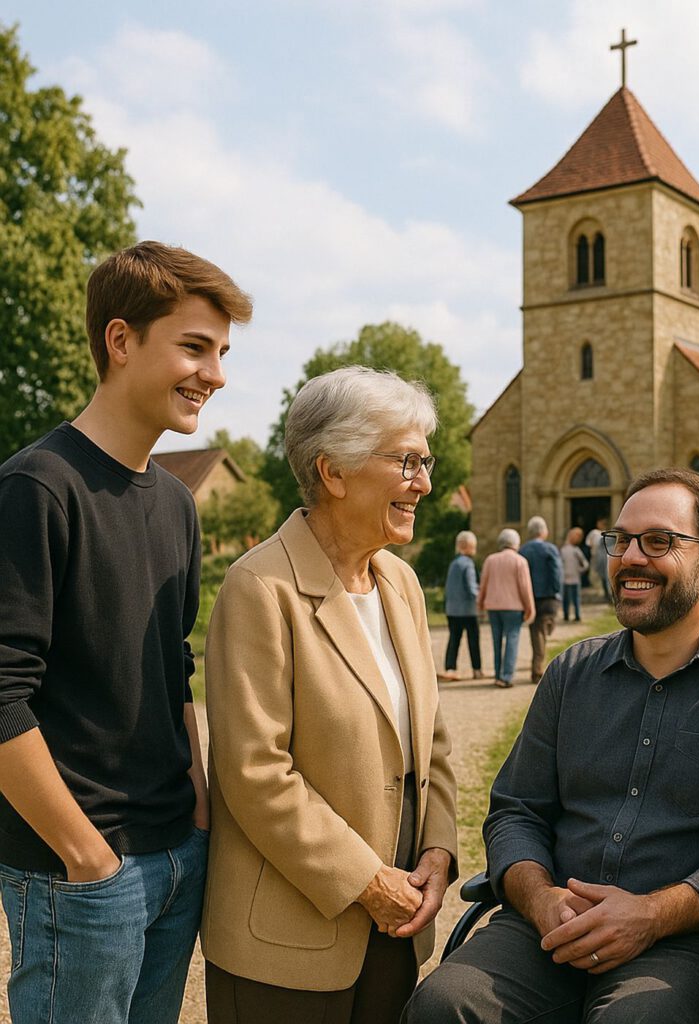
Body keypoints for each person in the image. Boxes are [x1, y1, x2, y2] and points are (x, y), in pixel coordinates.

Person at [405, 468, 699, 1023]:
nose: (631, 556)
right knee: (441, 1006)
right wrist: (541, 900)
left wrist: (653, 914)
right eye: (621, 540)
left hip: (681, 941)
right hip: (546, 928)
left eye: (658, 541)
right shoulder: (572, 674)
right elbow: (517, 809)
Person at [0, 242, 251, 1024]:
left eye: (222, 353)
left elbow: (176, 670)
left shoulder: (177, 503)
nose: (215, 373)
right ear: (120, 340)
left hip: (177, 853)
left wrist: (200, 809)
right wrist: (86, 856)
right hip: (79, 875)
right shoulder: (37, 487)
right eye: (194, 346)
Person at [201, 367, 458, 1024]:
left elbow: (430, 738)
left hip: (395, 929)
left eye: (424, 462)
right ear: (334, 473)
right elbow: (256, 773)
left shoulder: (400, 583)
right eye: (406, 461)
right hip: (287, 946)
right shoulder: (259, 588)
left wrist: (437, 852)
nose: (424, 483)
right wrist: (371, 885)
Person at [477, 529, 536, 688]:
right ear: (516, 543)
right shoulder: (520, 561)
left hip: (493, 606)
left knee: (496, 641)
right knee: (512, 640)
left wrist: (480, 603)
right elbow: (525, 588)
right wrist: (530, 608)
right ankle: (506, 676)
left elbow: (483, 583)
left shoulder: (490, 559)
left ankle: (497, 675)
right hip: (513, 607)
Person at [519, 515, 563, 683]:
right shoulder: (550, 549)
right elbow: (556, 572)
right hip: (549, 596)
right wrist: (556, 590)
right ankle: (537, 670)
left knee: (537, 631)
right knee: (543, 629)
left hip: (530, 597)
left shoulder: (523, 550)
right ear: (543, 532)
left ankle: (538, 665)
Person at [439, 530, 484, 681]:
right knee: (473, 640)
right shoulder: (468, 564)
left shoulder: (453, 563)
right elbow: (472, 588)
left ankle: (450, 668)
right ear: (469, 545)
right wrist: (482, 600)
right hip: (468, 610)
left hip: (452, 610)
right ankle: (477, 670)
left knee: (454, 640)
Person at [560, 526, 589, 622]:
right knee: (566, 599)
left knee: (575, 599)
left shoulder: (576, 551)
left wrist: (579, 570)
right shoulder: (563, 550)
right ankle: (566, 615)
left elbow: (585, 564)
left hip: (575, 579)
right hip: (565, 579)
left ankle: (577, 615)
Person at [587, 516, 612, 602]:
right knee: (595, 575)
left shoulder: (607, 534)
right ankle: (600, 592)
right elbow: (589, 544)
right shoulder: (594, 533)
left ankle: (606, 595)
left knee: (606, 576)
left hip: (605, 557)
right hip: (596, 557)